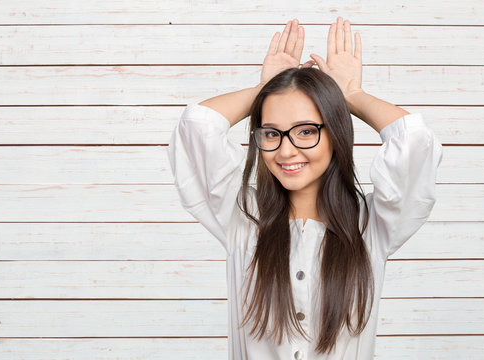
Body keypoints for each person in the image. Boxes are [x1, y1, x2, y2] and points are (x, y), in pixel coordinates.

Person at [168, 17, 443, 360]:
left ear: (334, 133)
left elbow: (414, 140)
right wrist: (265, 89)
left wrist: (351, 96)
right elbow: (197, 127)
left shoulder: (372, 226)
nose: (286, 150)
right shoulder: (242, 220)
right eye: (271, 133)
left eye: (305, 131)